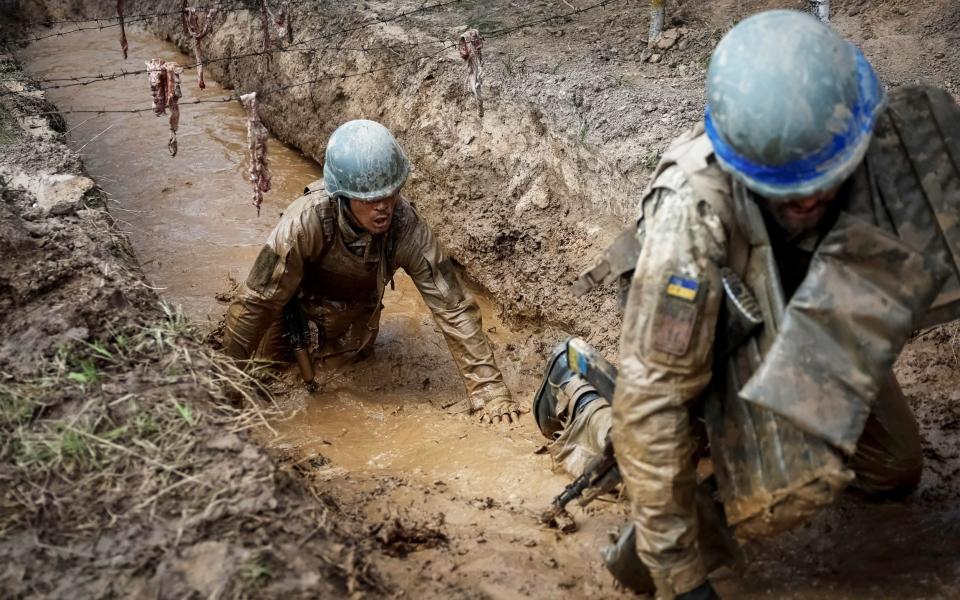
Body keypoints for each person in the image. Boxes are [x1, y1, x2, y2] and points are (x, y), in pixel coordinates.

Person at [534, 9, 960, 599]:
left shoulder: (849, 129)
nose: (816, 196)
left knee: (893, 467)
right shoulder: (690, 222)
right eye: (795, 192)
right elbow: (652, 402)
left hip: (807, 315)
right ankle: (580, 391)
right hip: (713, 335)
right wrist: (683, 582)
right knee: (670, 457)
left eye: (828, 178)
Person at [223, 119, 522, 424]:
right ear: (343, 195)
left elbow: (453, 305)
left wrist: (489, 390)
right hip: (288, 304)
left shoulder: (407, 228)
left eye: (390, 194)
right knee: (263, 370)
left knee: (348, 374)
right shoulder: (302, 224)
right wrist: (224, 387)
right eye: (370, 198)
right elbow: (255, 301)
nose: (383, 207)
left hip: (353, 310)